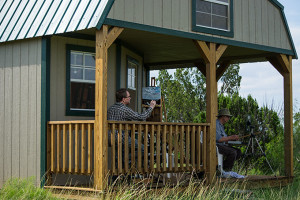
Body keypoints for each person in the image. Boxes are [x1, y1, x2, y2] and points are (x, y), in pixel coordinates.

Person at [107, 88, 156, 168]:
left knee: (119, 154)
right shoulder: (124, 109)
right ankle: (126, 161)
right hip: (121, 138)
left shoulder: (110, 109)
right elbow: (141, 117)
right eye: (129, 96)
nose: (130, 98)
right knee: (143, 149)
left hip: (110, 137)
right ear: (123, 99)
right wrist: (151, 107)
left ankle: (118, 176)